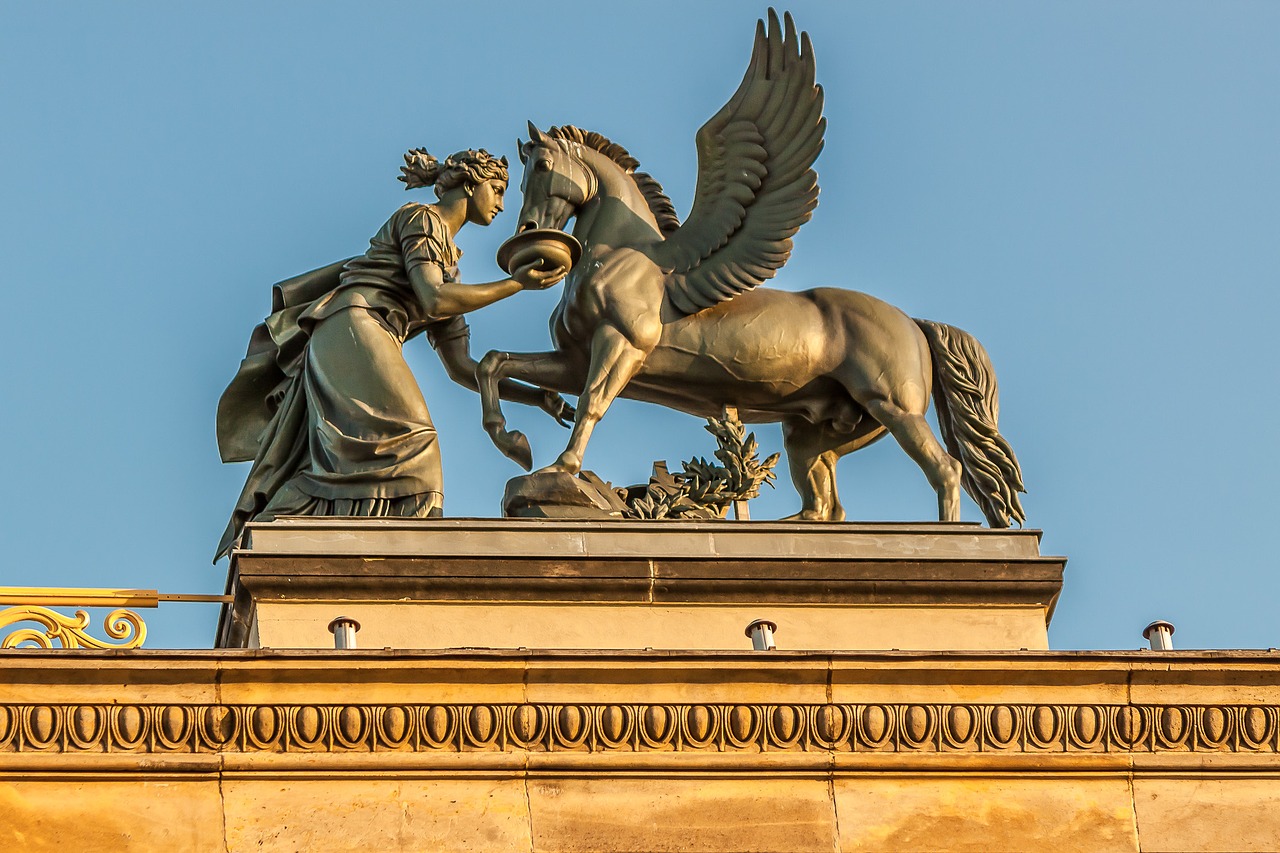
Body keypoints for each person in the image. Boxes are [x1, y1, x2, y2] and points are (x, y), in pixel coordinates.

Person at [215, 147, 570, 559]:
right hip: (353, 324)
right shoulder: (422, 219)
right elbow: (435, 300)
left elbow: (460, 367)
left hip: (370, 333)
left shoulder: (449, 268)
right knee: (414, 446)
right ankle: (404, 555)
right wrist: (515, 285)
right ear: (470, 184)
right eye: (496, 189)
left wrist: (535, 396)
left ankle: (296, 521)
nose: (502, 204)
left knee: (368, 455)